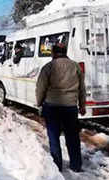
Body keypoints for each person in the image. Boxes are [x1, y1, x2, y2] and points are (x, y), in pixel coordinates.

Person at [35, 43, 86, 172]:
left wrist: (39, 102)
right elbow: (82, 88)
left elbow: (41, 88)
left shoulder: (48, 67)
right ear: (65, 51)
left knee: (54, 137)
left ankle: (57, 167)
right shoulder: (75, 66)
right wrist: (82, 105)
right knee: (73, 137)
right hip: (70, 107)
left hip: (52, 107)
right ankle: (76, 165)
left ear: (53, 53)